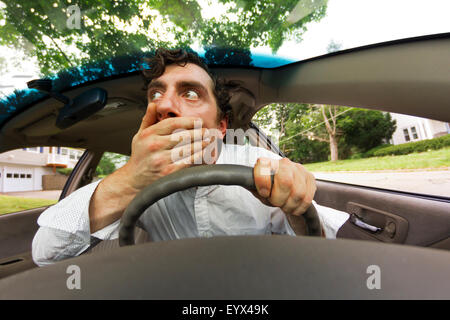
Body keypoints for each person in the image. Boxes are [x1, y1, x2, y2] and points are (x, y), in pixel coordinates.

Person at [32, 48, 349, 266]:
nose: (164, 105)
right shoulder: (132, 179)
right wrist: (130, 178)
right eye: (156, 94)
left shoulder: (259, 162)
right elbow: (44, 251)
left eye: (191, 93)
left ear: (221, 126)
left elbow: (321, 246)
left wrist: (296, 206)